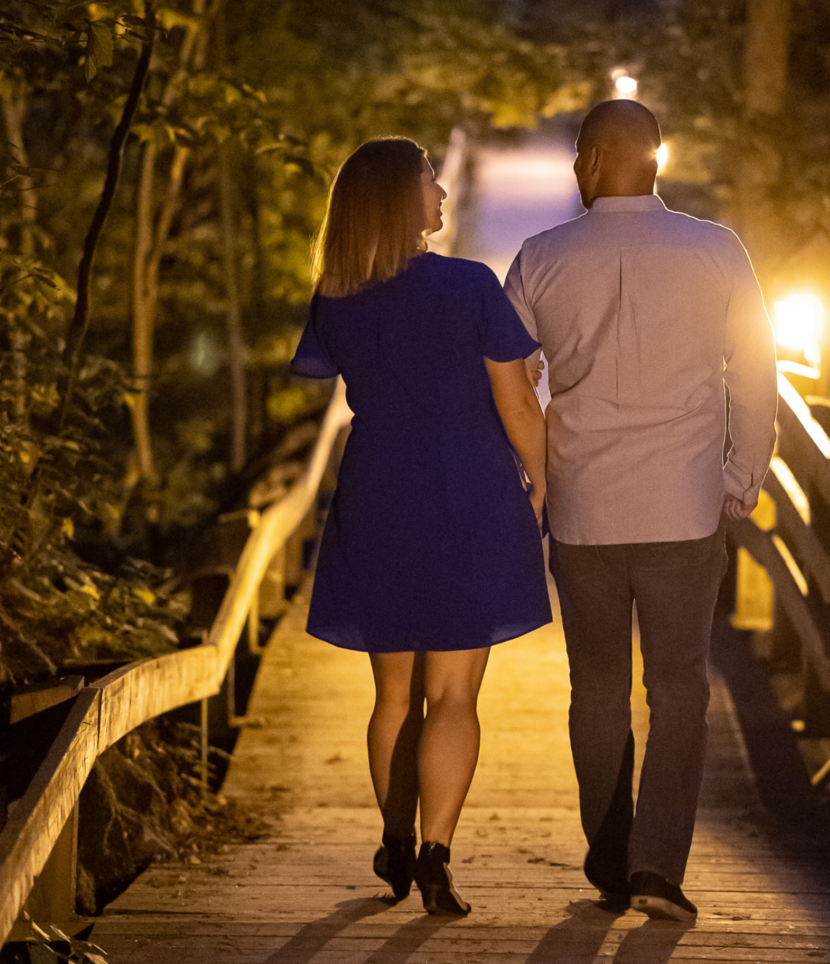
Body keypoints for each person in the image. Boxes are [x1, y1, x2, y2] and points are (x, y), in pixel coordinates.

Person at [504, 101, 778, 922]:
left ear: (589, 160)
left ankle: (609, 859)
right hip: (683, 506)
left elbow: (509, 379)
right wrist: (744, 470)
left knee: (596, 690)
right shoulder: (715, 249)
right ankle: (656, 866)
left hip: (583, 507)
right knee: (681, 691)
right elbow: (757, 371)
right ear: (656, 160)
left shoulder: (542, 257)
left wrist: (533, 477)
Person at [290, 137, 551, 917]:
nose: (441, 193)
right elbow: (516, 404)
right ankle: (436, 852)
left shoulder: (333, 299)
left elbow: (334, 382)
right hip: (468, 491)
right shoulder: (470, 286)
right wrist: (542, 483)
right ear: (404, 198)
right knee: (456, 697)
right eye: (431, 181)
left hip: (378, 494)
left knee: (394, 698)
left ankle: (394, 840)